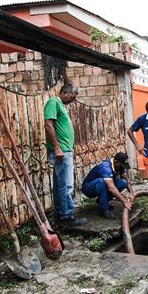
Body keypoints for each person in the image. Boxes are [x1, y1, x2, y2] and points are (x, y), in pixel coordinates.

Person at [44, 84, 87, 227]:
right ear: (65, 92)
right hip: (61, 152)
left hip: (64, 151)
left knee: (60, 185)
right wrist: (57, 147)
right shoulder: (53, 102)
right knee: (66, 185)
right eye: (72, 97)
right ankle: (66, 216)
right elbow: (48, 125)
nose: (72, 100)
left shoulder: (60, 105)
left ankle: (60, 215)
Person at [81, 152, 134, 219]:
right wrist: (125, 201)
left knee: (123, 183)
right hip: (88, 188)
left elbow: (127, 181)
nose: (122, 167)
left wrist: (131, 193)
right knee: (102, 182)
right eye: (121, 165)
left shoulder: (119, 166)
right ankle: (104, 209)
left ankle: (102, 201)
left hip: (100, 185)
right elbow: (111, 188)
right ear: (115, 161)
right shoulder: (105, 167)